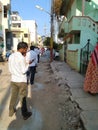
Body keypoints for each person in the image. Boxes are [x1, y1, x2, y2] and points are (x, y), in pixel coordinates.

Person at [8, 42, 32, 120]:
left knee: (13, 96)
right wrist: (28, 64)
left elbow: (10, 68)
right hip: (21, 81)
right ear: (22, 48)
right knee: (23, 98)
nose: (26, 51)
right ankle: (25, 114)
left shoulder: (11, 56)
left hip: (13, 80)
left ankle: (11, 111)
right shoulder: (21, 58)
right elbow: (23, 71)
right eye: (26, 49)